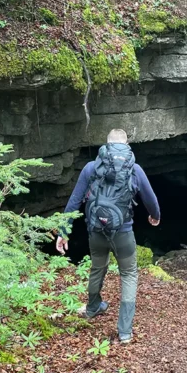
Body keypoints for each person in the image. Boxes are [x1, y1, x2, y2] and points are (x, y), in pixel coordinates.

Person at [56, 128, 161, 343]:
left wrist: (63, 232)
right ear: (126, 145)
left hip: (96, 230)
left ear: (106, 145)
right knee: (129, 274)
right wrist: (155, 216)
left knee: (98, 267)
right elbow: (151, 199)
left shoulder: (91, 168)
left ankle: (93, 307)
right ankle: (124, 331)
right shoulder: (135, 169)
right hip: (123, 232)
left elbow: (74, 201)